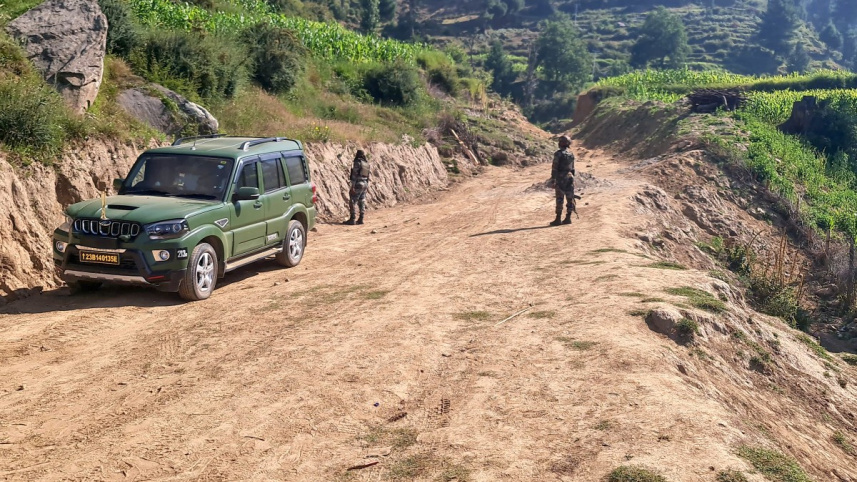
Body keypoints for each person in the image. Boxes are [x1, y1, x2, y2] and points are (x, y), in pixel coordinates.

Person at [550, 135, 576, 226]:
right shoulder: (571, 154)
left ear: (561, 143)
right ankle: (568, 218)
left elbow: (554, 168)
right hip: (570, 177)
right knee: (570, 198)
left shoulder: (558, 154)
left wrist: (553, 179)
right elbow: (573, 168)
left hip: (561, 178)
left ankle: (558, 219)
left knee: (560, 198)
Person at [345, 149, 371, 225]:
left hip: (358, 184)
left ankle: (352, 219)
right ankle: (361, 219)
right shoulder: (366, 163)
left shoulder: (357, 163)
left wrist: (352, 186)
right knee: (362, 201)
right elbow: (368, 176)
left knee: (353, 201)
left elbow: (354, 175)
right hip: (365, 183)